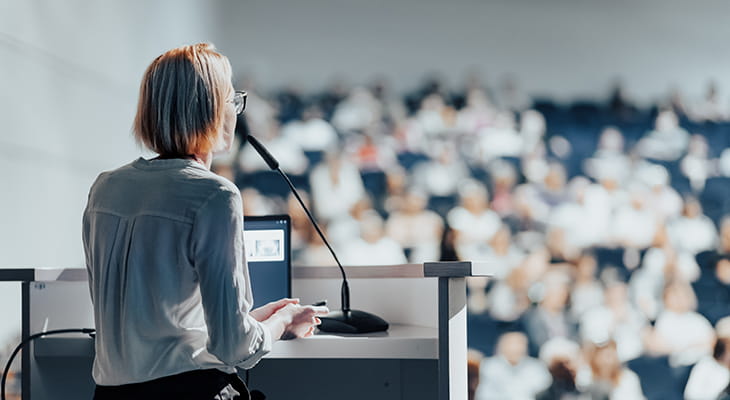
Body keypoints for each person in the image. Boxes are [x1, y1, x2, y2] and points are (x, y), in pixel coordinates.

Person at [82, 43, 328, 399]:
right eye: (232, 100)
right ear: (210, 110)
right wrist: (282, 322)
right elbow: (236, 349)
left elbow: (161, 329)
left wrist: (252, 319)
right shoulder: (215, 196)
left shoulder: (105, 189)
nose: (236, 112)